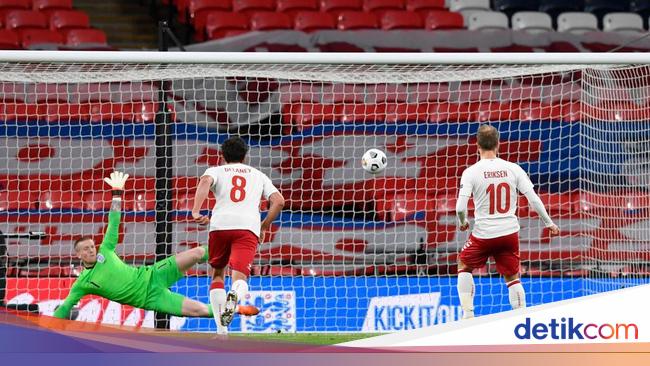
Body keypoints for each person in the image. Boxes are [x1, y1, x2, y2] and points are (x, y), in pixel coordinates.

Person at [54, 171, 258, 321]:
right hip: (151, 298)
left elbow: (114, 222)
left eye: (92, 246)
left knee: (197, 253)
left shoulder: (105, 250)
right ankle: (237, 309)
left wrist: (117, 193)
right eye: (86, 249)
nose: (91, 250)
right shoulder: (82, 283)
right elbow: (65, 307)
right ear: (78, 255)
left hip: (153, 274)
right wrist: (49, 326)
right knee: (201, 311)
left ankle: (238, 252)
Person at [455, 125, 560, 319]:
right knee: (512, 277)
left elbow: (460, 207)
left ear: (477, 145)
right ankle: (521, 319)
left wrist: (463, 222)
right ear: (498, 144)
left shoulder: (471, 171)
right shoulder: (514, 169)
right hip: (509, 233)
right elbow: (534, 199)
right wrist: (549, 223)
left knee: (463, 264)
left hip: (484, 234)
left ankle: (468, 315)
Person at [192, 136, 285, 334]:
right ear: (245, 155)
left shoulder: (215, 171)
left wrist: (195, 210)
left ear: (222, 155)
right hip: (247, 228)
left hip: (220, 226)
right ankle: (235, 294)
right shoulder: (258, 175)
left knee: (218, 274)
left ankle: (221, 331)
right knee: (240, 278)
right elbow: (279, 201)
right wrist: (264, 225)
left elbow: (205, 181)